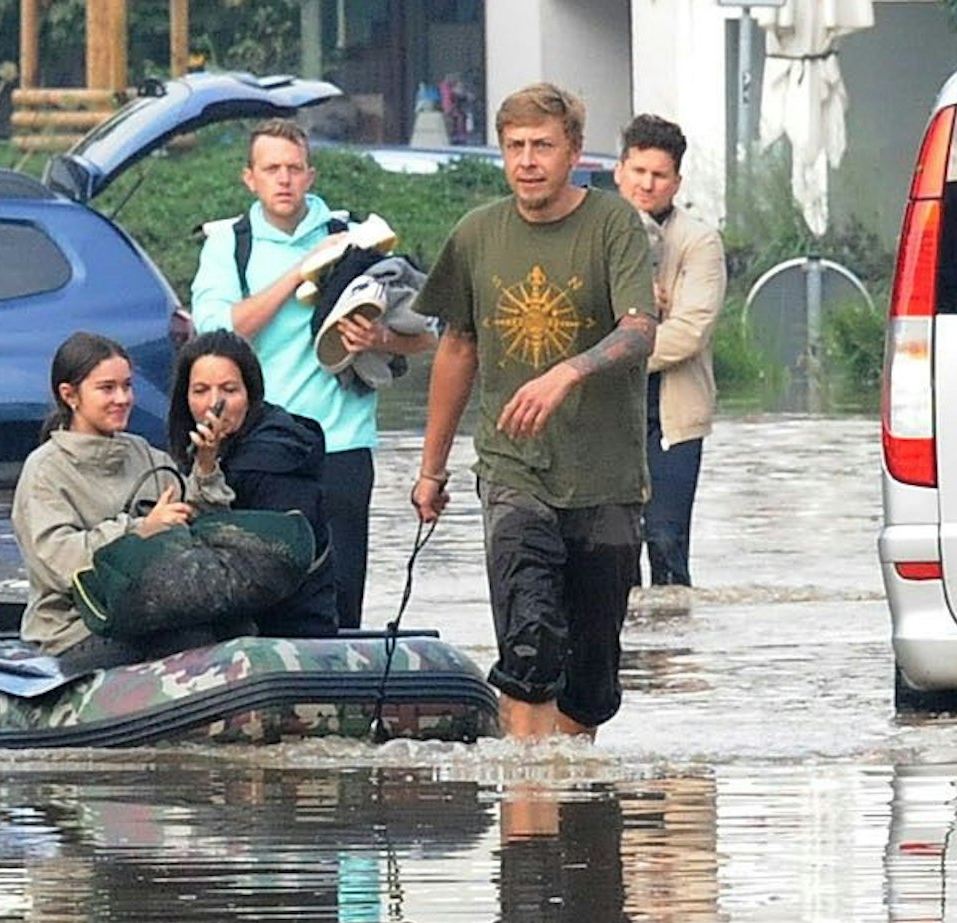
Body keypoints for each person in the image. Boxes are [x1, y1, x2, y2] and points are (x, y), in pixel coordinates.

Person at [410, 83, 657, 742]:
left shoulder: (613, 224)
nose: (526, 160)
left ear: (573, 152)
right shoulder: (476, 234)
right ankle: (526, 830)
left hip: (604, 475)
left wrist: (568, 372)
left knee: (591, 677)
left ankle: (574, 824)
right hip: (512, 468)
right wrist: (430, 470)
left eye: (541, 146)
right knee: (529, 645)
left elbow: (640, 332)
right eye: (514, 146)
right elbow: (457, 346)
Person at [191, 119, 435, 631]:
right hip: (259, 445)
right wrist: (302, 271)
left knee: (342, 600)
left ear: (311, 175)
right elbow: (219, 334)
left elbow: (431, 334)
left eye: (294, 169)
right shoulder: (229, 245)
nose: (284, 180)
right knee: (260, 594)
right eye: (271, 169)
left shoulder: (355, 236)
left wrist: (379, 341)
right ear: (249, 179)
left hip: (341, 443)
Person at [11, 331, 233, 670]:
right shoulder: (45, 470)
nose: (122, 398)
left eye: (127, 386)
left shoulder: (144, 454)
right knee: (158, 651)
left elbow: (199, 522)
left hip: (150, 612)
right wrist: (140, 530)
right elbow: (59, 562)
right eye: (107, 388)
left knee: (213, 637)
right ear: (70, 395)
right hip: (75, 630)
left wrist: (205, 465)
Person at [615, 113, 726, 596]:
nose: (646, 185)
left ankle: (671, 658)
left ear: (676, 182)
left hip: (673, 412)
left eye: (658, 176)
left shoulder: (699, 241)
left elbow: (691, 329)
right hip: (607, 412)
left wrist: (614, 353)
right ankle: (623, 663)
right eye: (638, 172)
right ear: (620, 170)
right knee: (611, 550)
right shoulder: (594, 232)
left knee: (665, 542)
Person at [168, 329, 340, 637]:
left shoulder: (275, 457)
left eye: (229, 390)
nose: (214, 404)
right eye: (201, 390)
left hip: (286, 626)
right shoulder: (191, 450)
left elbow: (266, 564)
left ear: (250, 393)